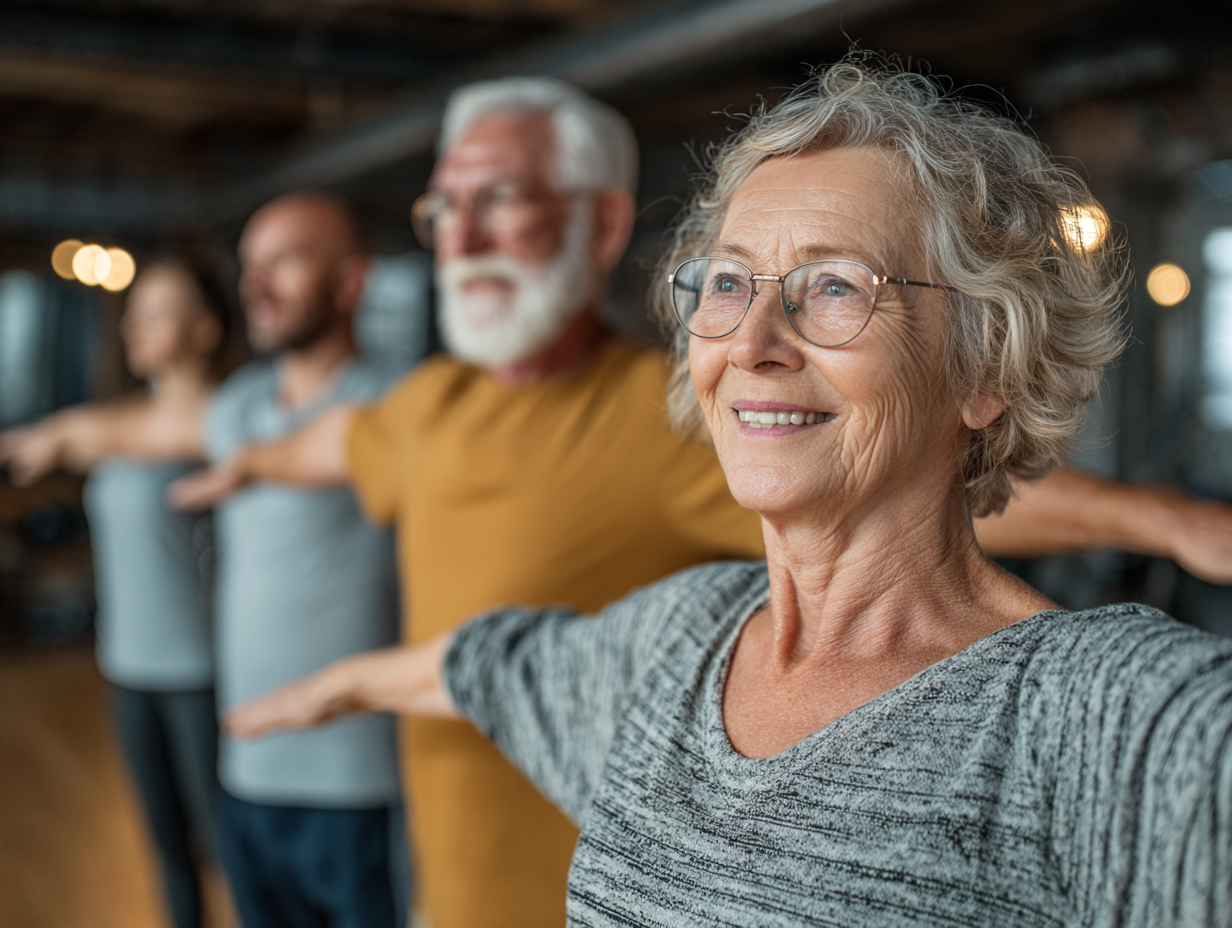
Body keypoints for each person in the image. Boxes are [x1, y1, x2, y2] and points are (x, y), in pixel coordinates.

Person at [171, 78, 1232, 928]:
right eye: (726, 283)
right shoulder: (677, 643)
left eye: (834, 285)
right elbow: (490, 659)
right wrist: (330, 681)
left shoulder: (1103, 716)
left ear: (983, 366)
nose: (753, 343)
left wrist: (1170, 521)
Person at [13, 193, 410, 928]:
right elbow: (135, 428)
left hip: (358, 777)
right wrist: (47, 438)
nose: (256, 281)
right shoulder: (237, 407)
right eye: (251, 264)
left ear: (352, 281)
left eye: (286, 260)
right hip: (249, 763)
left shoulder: (402, 402)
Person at [0, 256, 230, 928]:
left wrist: (60, 435)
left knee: (226, 848)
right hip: (127, 666)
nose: (134, 326)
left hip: (202, 671)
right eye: (134, 312)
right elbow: (50, 448)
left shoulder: (228, 419)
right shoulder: (116, 423)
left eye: (156, 311)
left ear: (207, 329)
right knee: (166, 849)